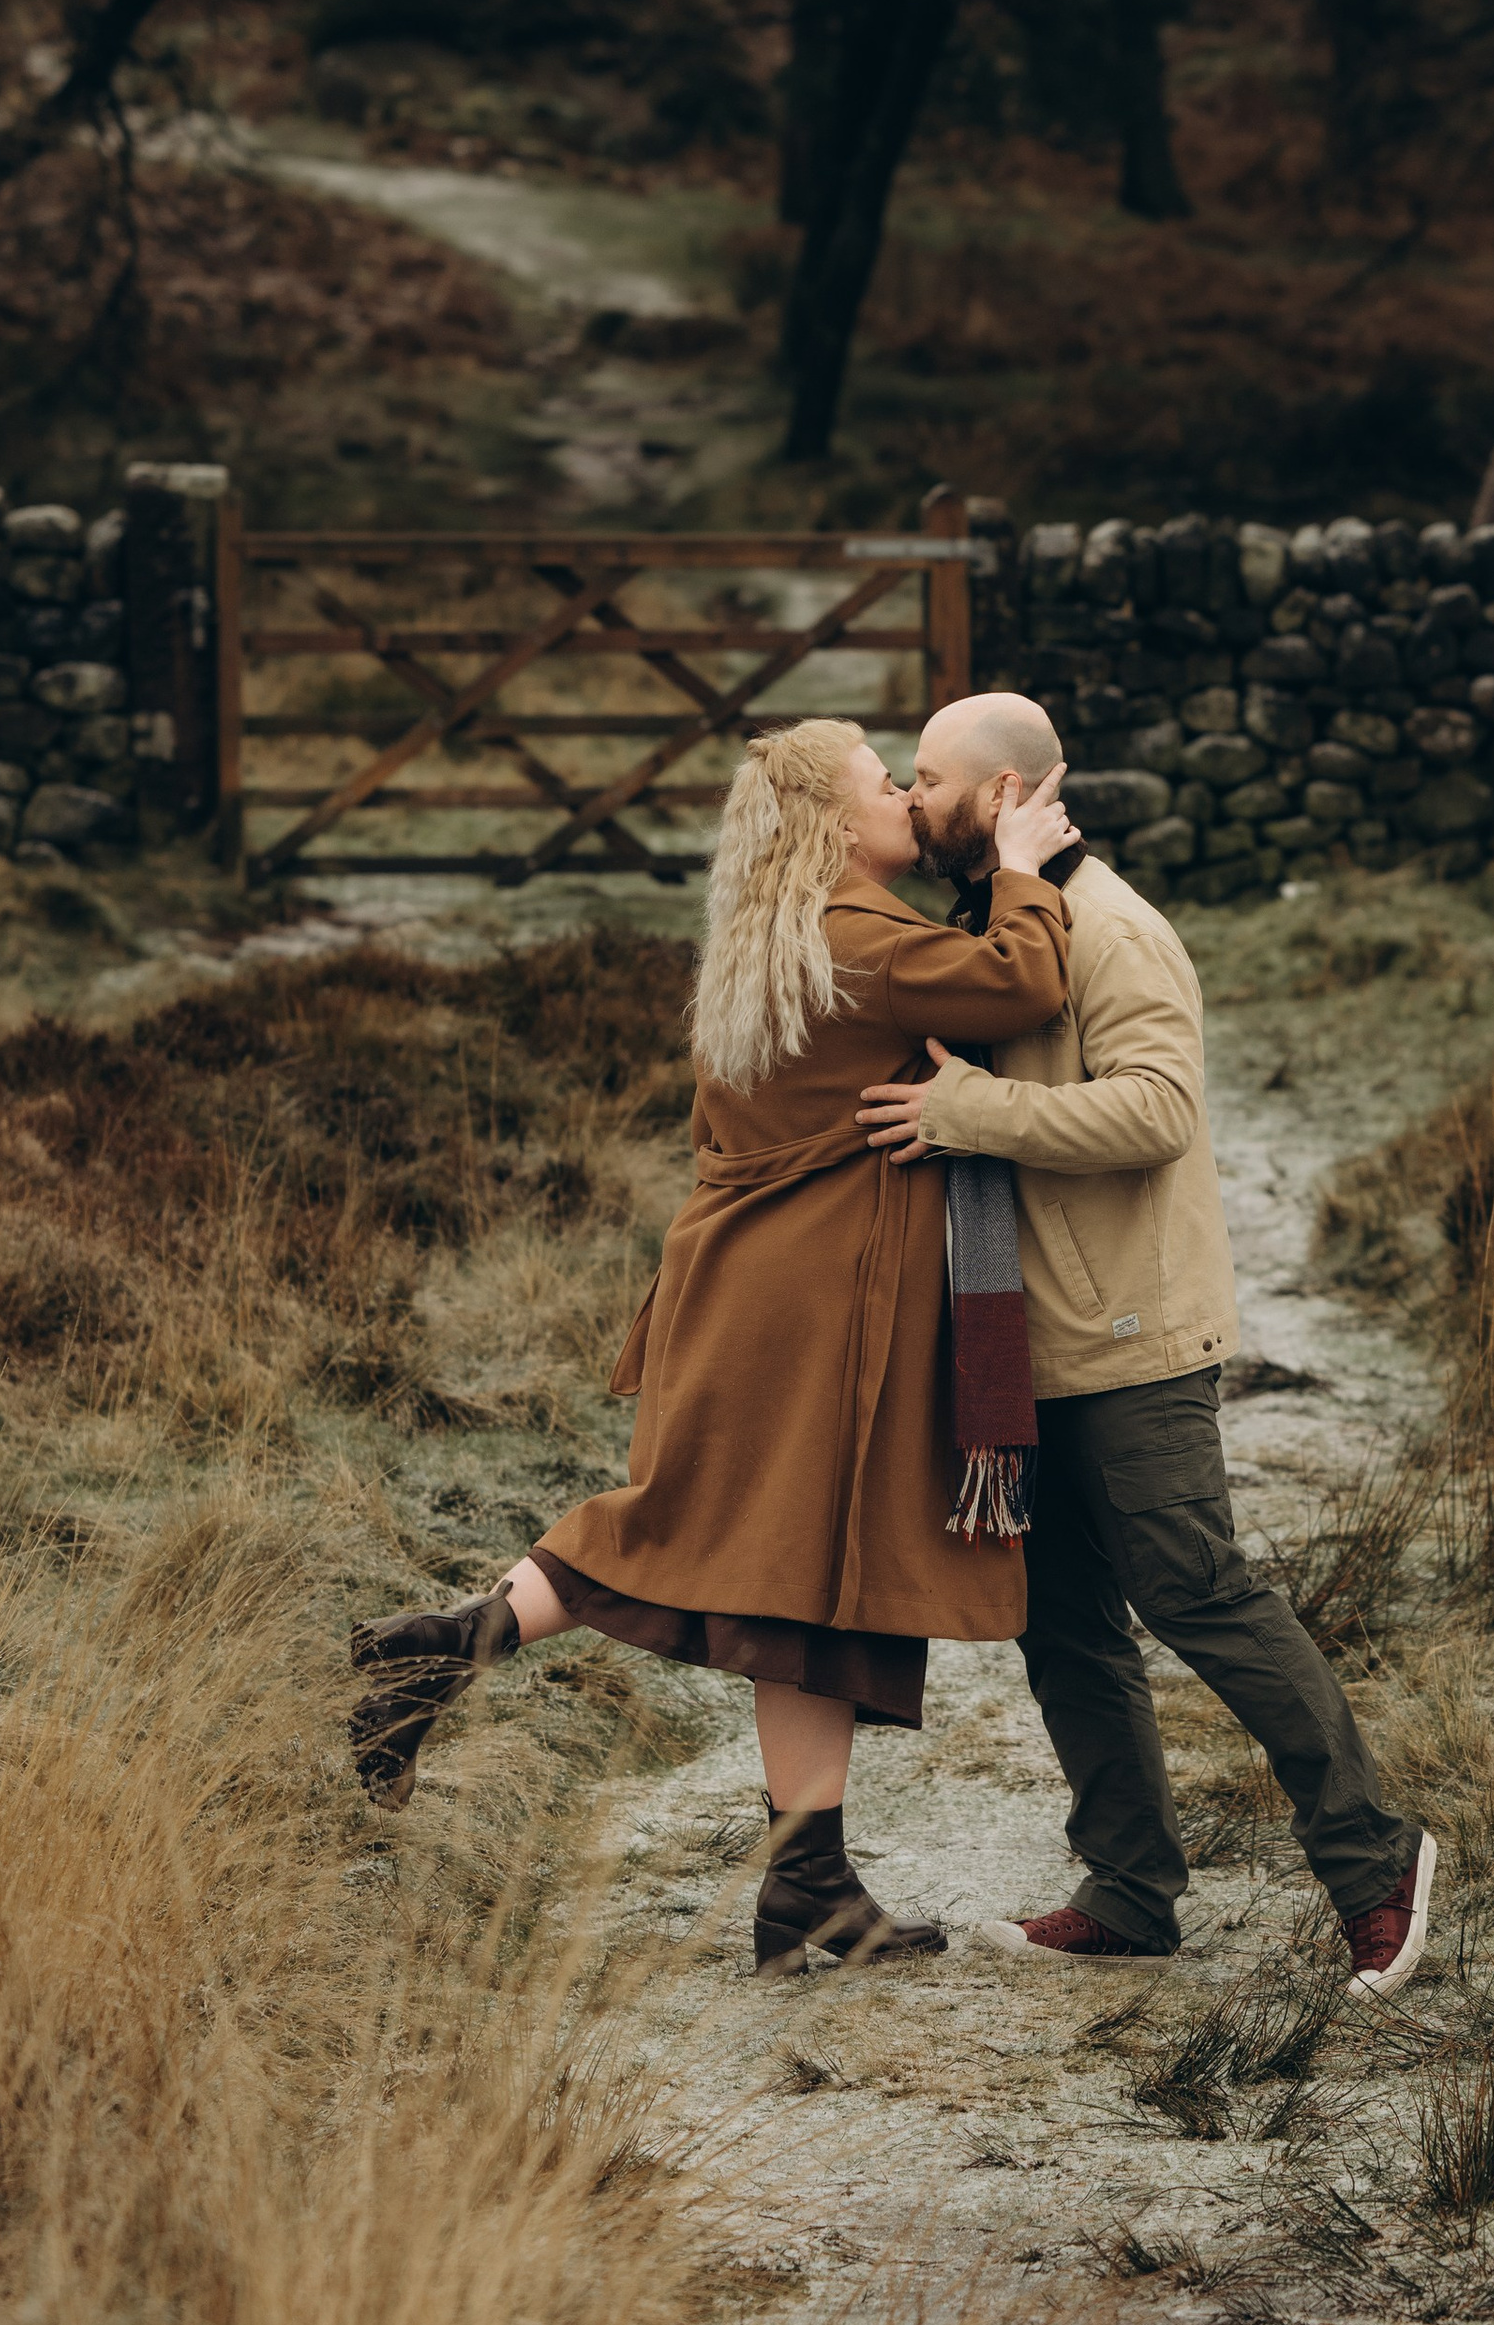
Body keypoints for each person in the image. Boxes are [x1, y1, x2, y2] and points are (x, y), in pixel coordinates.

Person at [345, 713, 1081, 1974]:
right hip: (807, 1308)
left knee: (796, 1578)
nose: (907, 799)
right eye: (882, 788)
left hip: (760, 1290)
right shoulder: (863, 943)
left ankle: (808, 1883)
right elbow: (1024, 981)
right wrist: (1015, 864)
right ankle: (450, 1647)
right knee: (704, 1535)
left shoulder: (777, 939)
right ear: (836, 829)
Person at [857, 691, 1438, 1998]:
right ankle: (1129, 1890)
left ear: (1000, 795)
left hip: (1131, 1341)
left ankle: (1376, 1862)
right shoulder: (1003, 923)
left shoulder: (1115, 929)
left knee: (1199, 1597)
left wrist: (965, 1109)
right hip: (1028, 1347)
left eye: (930, 778)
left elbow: (1158, 1113)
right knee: (1066, 1628)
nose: (911, 794)